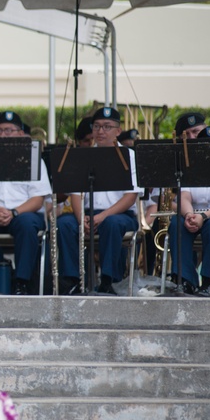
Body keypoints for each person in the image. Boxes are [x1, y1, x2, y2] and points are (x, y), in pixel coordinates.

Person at [56, 107, 141, 295]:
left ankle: (109, 280)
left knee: (111, 223)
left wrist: (103, 216)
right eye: (97, 127)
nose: (101, 131)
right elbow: (76, 194)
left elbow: (130, 196)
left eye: (107, 127)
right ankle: (71, 280)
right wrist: (81, 219)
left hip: (118, 214)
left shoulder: (129, 156)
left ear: (118, 131)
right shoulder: (82, 156)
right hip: (87, 213)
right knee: (64, 224)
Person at [0, 111, 51, 294]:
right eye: (0, 131)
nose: (4, 135)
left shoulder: (33, 158)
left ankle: (22, 281)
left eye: (9, 130)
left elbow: (37, 199)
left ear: (20, 134)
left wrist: (13, 213)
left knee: (27, 225)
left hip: (23, 213)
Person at [168, 126, 210, 297]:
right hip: (195, 214)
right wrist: (188, 215)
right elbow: (184, 196)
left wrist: (204, 216)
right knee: (177, 224)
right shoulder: (192, 167)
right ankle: (185, 281)